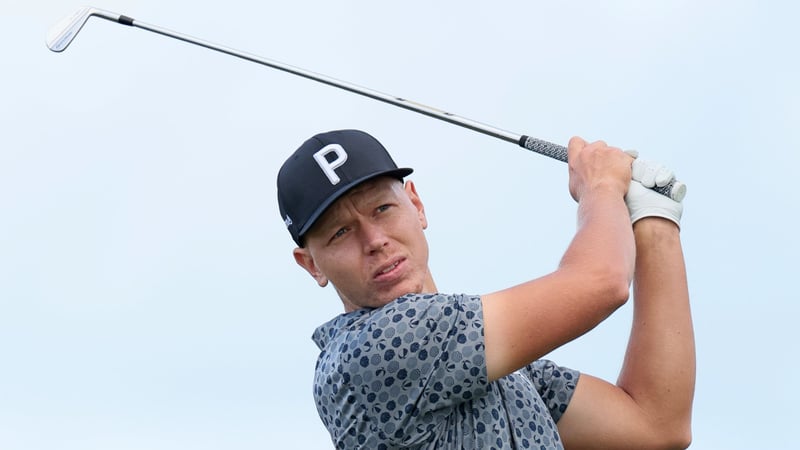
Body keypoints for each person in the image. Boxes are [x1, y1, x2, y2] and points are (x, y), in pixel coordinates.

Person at [277, 129, 695, 449]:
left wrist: (655, 220)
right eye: (340, 233)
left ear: (416, 205)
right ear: (311, 264)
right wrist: (601, 187)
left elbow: (656, 425)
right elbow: (600, 282)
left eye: (382, 209)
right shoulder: (375, 349)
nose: (374, 240)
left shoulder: (494, 368)